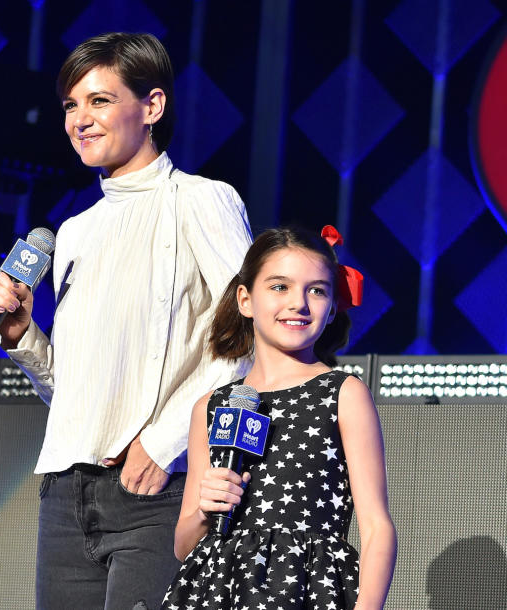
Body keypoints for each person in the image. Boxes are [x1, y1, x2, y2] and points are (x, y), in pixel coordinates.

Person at [0, 33, 253, 610]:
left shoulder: (201, 200)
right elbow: (73, 393)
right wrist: (22, 337)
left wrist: (166, 442)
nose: (80, 120)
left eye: (99, 101)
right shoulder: (75, 231)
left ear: (151, 107)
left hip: (157, 488)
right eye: (71, 106)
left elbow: (246, 339)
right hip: (66, 491)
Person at [163, 226, 396, 609]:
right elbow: (183, 545)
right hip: (219, 593)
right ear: (245, 299)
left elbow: (376, 526)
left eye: (317, 290)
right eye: (279, 287)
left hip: (305, 591)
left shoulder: (342, 393)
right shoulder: (211, 406)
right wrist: (207, 508)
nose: (298, 303)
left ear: (334, 304)